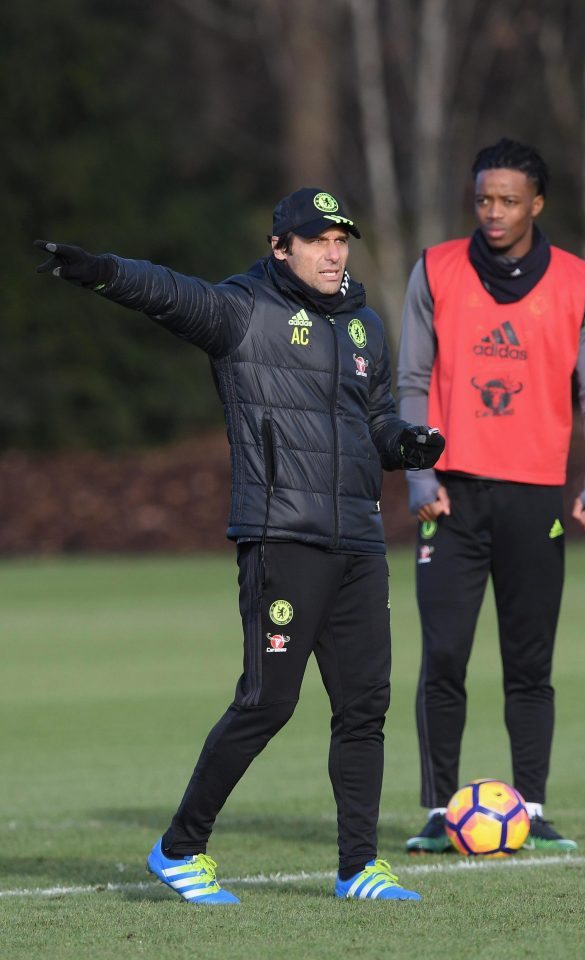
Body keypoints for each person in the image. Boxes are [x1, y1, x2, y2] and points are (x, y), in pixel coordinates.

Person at [35, 187, 445, 903]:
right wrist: (99, 270)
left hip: (359, 542)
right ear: (279, 247)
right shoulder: (241, 310)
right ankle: (178, 849)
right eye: (317, 240)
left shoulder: (364, 327)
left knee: (364, 708)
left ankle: (358, 867)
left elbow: (373, 417)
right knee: (266, 702)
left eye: (341, 239)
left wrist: (402, 442)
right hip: (280, 536)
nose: (333, 252)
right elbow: (167, 291)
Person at [397, 139, 585, 854]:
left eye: (507, 200)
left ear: (537, 205)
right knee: (443, 659)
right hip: (450, 501)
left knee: (529, 666)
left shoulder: (578, 283)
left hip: (533, 501)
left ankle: (531, 806)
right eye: (483, 198)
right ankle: (438, 811)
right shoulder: (434, 270)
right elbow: (407, 381)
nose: (491, 212)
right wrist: (417, 474)